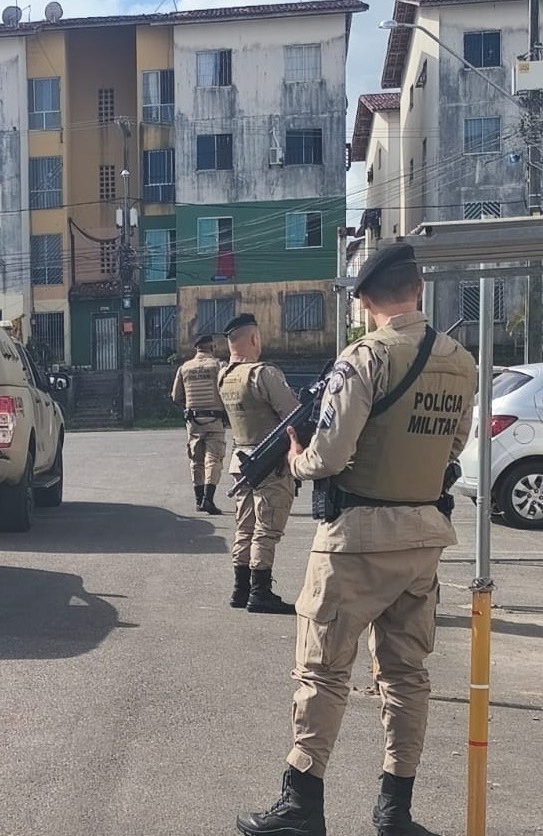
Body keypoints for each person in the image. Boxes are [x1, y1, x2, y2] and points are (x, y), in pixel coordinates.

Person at [236, 242, 476, 836]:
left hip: (356, 539)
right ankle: (395, 811)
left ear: (365, 299)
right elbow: (452, 452)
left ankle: (301, 803)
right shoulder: (461, 362)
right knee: (406, 675)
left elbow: (330, 454)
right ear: (418, 289)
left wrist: (296, 460)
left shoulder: (362, 359)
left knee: (322, 671)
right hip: (423, 538)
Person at [218, 313, 302, 614]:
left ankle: (240, 590)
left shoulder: (224, 376)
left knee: (244, 527)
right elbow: (292, 413)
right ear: (254, 339)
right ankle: (260, 591)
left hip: (240, 461)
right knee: (266, 529)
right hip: (269, 462)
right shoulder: (263, 373)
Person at [171, 333, 227, 514]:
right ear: (212, 348)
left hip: (193, 421)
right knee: (213, 459)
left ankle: (198, 500)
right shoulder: (218, 366)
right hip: (215, 420)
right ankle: (208, 499)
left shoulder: (184, 368)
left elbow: (176, 396)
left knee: (196, 460)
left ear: (196, 349)